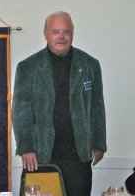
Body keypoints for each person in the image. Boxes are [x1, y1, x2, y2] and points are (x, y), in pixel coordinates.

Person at [12, 11, 107, 196]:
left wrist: (98, 142)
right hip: (40, 156)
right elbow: (20, 111)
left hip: (79, 157)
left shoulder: (90, 65)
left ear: (72, 33)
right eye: (56, 32)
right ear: (46, 33)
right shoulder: (27, 68)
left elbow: (97, 107)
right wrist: (27, 148)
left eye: (66, 31)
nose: (61, 37)